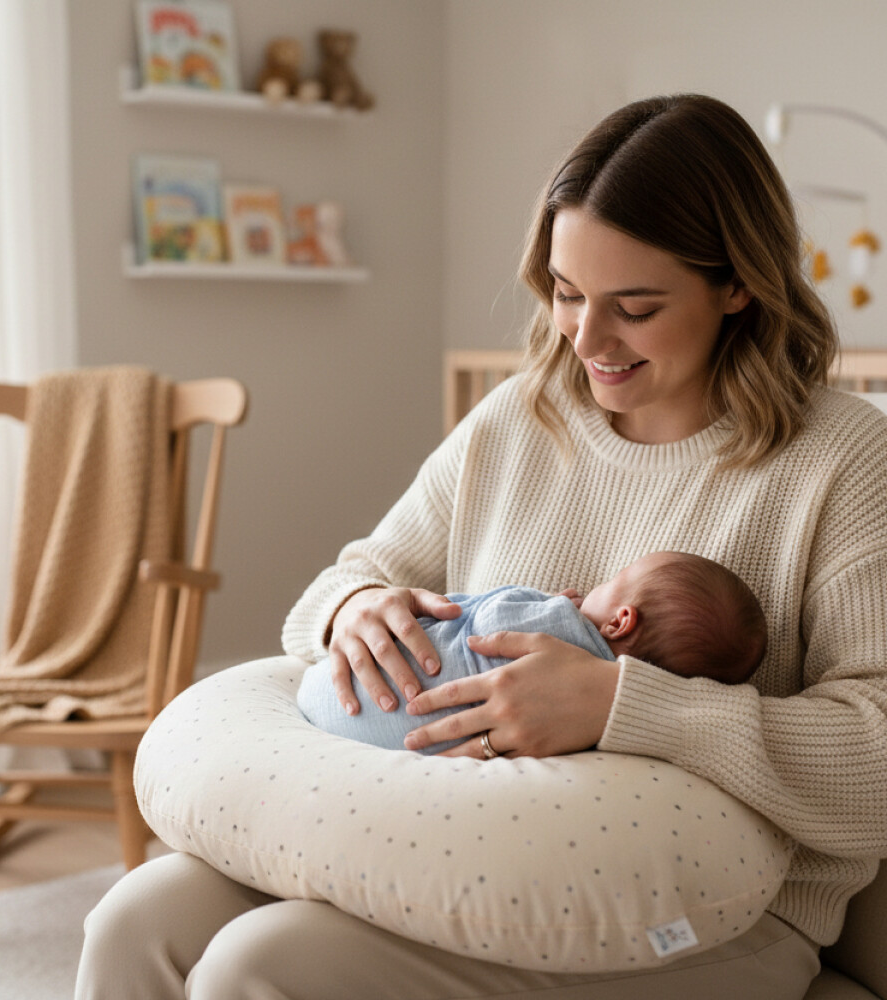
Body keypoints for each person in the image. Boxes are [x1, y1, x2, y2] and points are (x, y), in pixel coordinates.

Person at [75, 94, 887, 1000]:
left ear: (737, 284)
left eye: (636, 306)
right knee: (133, 922)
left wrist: (621, 705)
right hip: (454, 840)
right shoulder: (519, 419)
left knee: (259, 967)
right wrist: (359, 610)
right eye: (567, 294)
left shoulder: (844, 461)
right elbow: (343, 584)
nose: (585, 338)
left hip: (705, 909)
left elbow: (877, 750)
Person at [297, 550, 768, 753]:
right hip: (395, 747)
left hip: (336, 707)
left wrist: (552, 604)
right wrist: (354, 600)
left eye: (612, 580)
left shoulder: (561, 625)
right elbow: (351, 571)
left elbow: (481, 616)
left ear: (621, 620)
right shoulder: (579, 739)